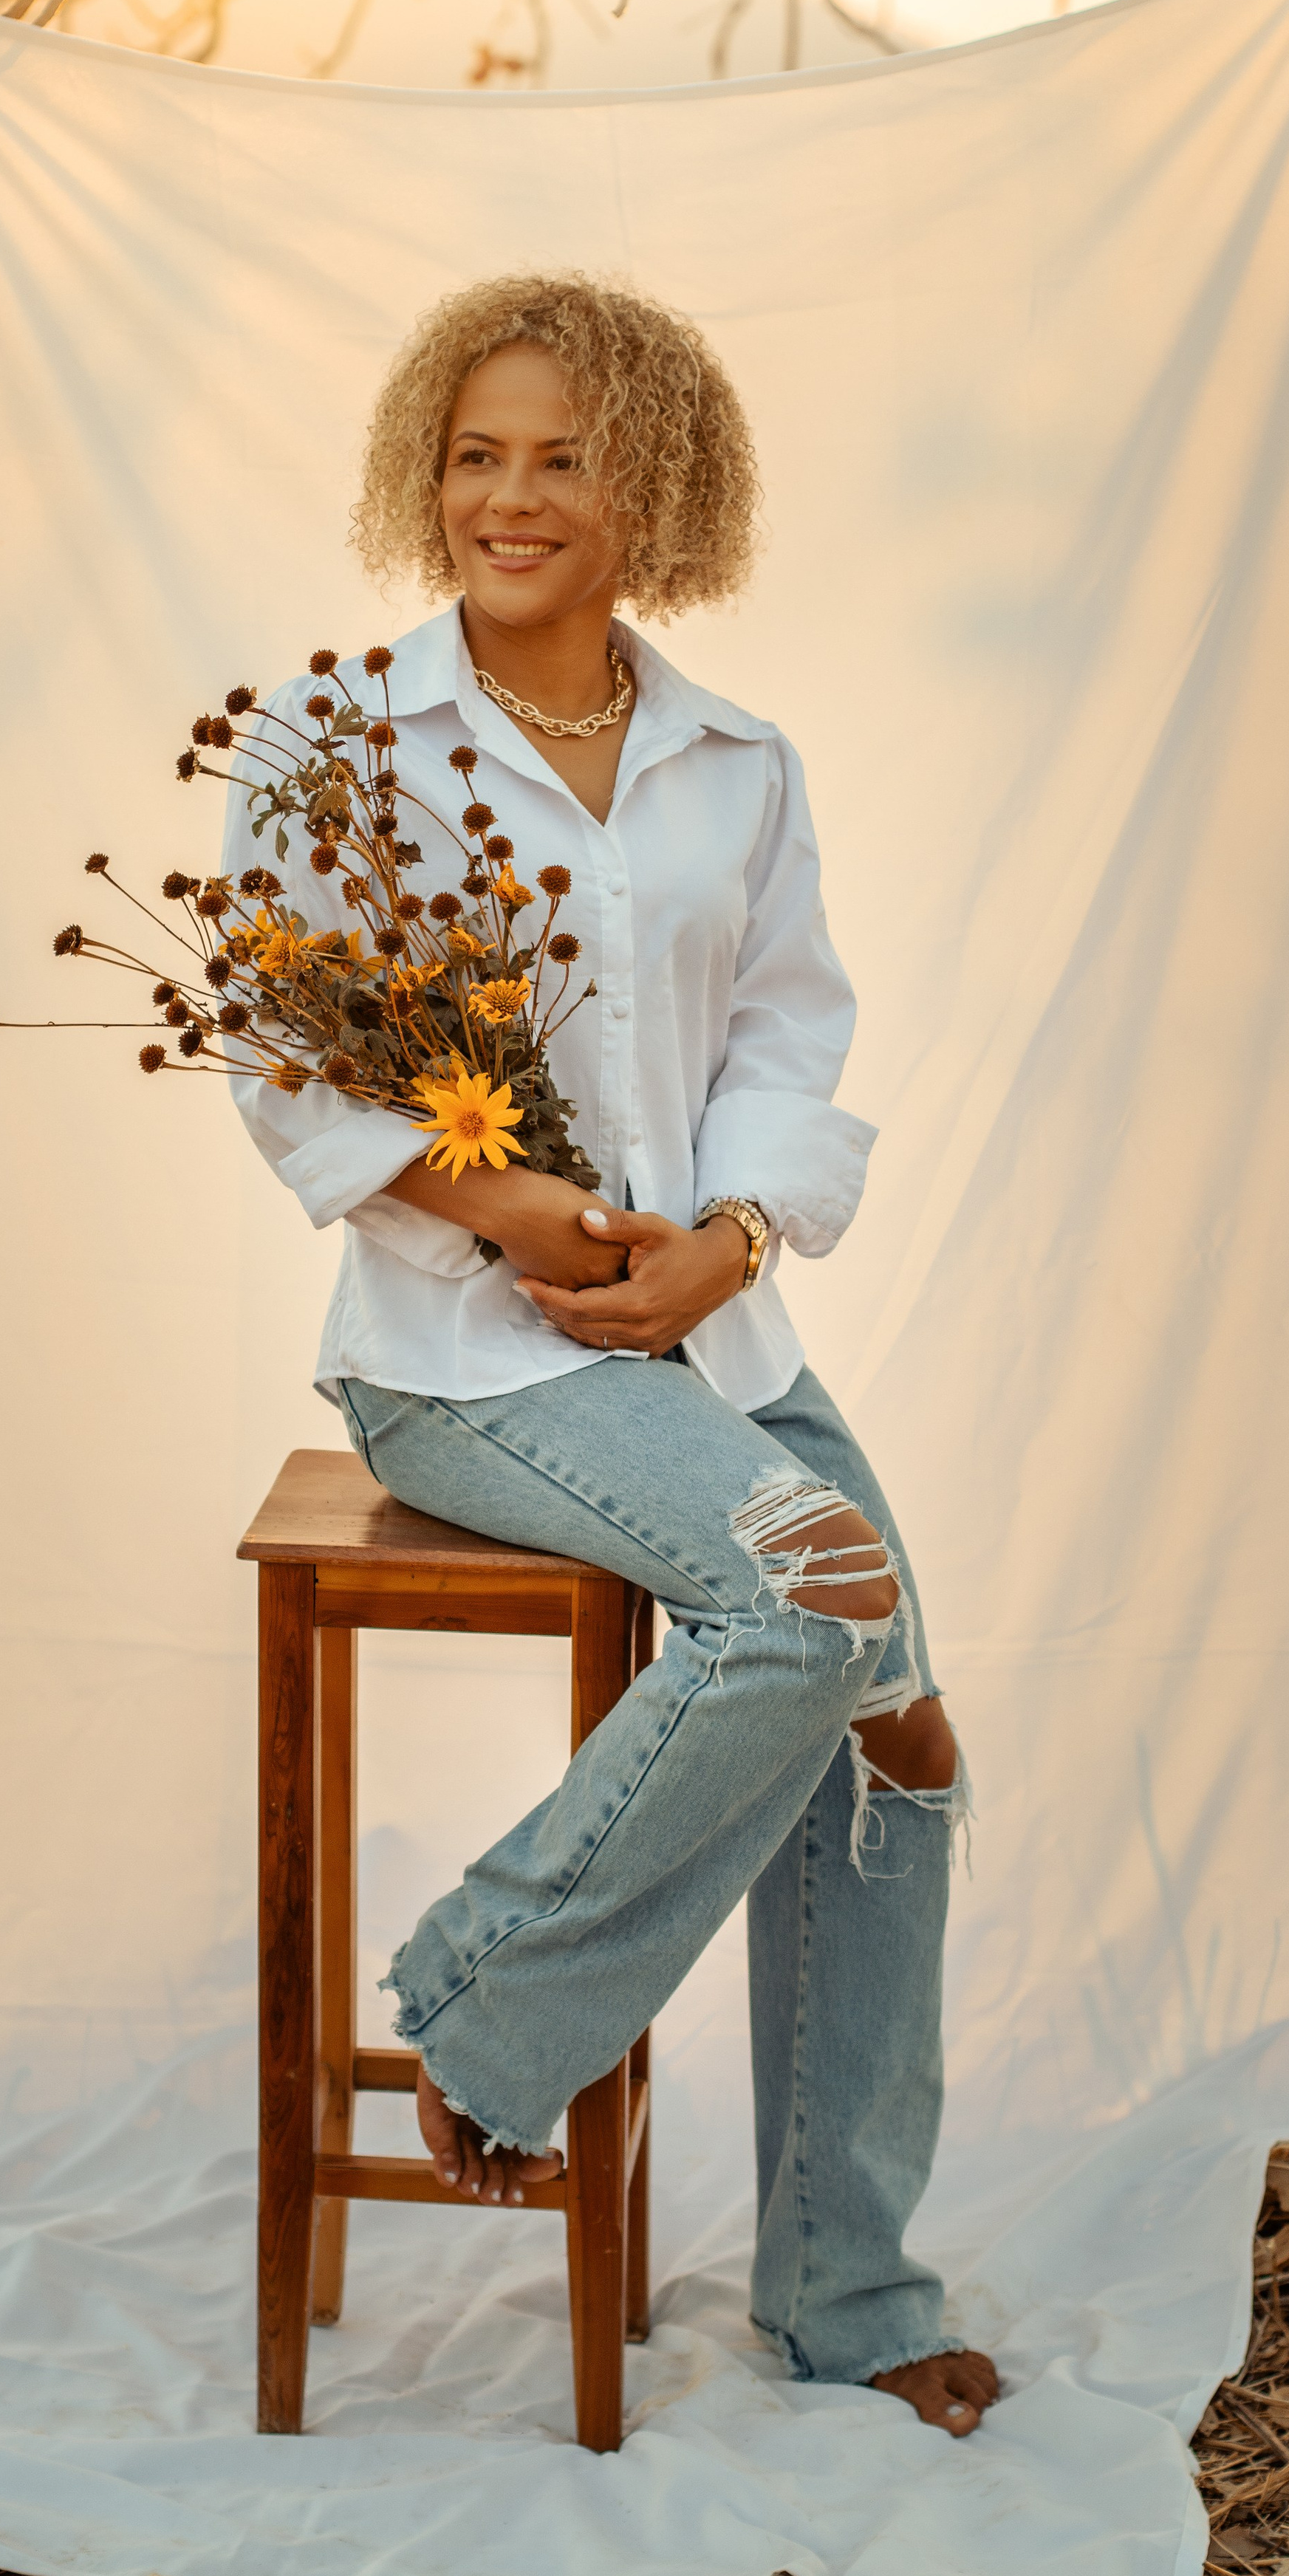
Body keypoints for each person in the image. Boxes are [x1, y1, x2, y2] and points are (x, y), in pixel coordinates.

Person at [224, 273, 996, 2436]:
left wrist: (722, 1244)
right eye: (477, 452)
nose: (513, 494)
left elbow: (788, 1039)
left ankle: (844, 2290)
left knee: (899, 1740)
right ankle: (491, 2011)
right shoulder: (336, 752)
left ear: (647, 484)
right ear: (424, 474)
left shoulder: (740, 765)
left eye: (562, 455)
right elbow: (291, 1067)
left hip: (713, 1345)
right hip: (466, 1354)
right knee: (808, 1598)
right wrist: (517, 1210)